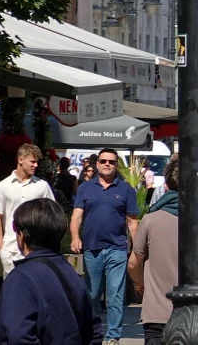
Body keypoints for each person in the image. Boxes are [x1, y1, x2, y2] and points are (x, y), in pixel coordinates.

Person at [0, 199, 100, 345]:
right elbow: (93, 331)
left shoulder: (21, 278)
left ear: (21, 235)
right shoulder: (71, 273)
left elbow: (19, 336)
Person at [70, 148, 139, 345]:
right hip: (92, 249)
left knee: (115, 295)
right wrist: (75, 237)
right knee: (92, 294)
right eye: (103, 161)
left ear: (116, 165)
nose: (107, 164)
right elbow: (76, 216)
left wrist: (137, 249)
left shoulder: (126, 190)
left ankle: (113, 337)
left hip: (117, 249)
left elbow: (132, 222)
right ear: (97, 164)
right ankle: (93, 333)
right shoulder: (85, 188)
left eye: (111, 161)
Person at [129, 155, 179, 345]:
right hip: (192, 314)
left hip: (156, 312)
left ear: (165, 186)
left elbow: (133, 263)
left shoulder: (150, 220)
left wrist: (140, 284)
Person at [0, 143, 55, 276]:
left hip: (37, 250)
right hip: (11, 250)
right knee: (13, 291)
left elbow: (51, 214)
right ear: (20, 160)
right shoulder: (3, 186)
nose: (35, 165)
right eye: (33, 162)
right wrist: (2, 247)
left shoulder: (42, 186)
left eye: (37, 162)